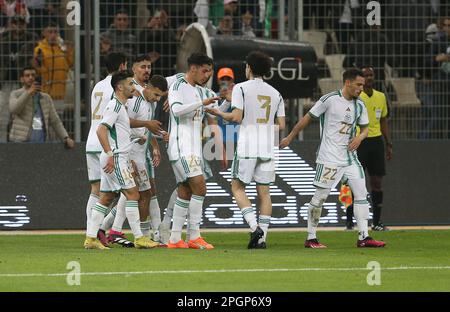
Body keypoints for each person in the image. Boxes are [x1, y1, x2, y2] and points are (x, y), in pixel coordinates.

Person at [279, 68, 386, 248]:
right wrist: (290, 136)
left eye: (362, 85)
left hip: (350, 158)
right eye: (358, 84)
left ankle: (364, 237)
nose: (362, 88)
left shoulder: (359, 105)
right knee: (320, 197)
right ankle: (311, 238)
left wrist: (360, 137)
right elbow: (307, 118)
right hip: (329, 157)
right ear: (348, 83)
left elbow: (366, 127)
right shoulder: (329, 100)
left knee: (361, 194)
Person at [206, 51, 286, 249]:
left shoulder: (241, 88)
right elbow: (282, 125)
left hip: (248, 144)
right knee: (265, 193)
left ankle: (254, 227)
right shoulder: (275, 93)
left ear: (249, 68)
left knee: (237, 187)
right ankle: (262, 238)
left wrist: (217, 112)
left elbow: (236, 117)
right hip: (267, 146)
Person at [84, 70, 158, 250]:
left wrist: (136, 137)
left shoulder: (121, 106)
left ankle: (91, 238)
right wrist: (110, 155)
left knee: (106, 197)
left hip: (116, 156)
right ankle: (139, 237)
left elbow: (119, 131)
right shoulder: (115, 106)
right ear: (119, 87)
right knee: (133, 194)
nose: (134, 87)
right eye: (130, 84)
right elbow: (101, 130)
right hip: (116, 158)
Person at [166, 52, 219, 249]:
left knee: (185, 190)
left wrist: (227, 100)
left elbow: (215, 109)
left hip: (192, 148)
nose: (207, 76)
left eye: (209, 72)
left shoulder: (200, 90)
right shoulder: (178, 86)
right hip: (181, 146)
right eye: (204, 71)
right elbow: (177, 110)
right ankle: (194, 235)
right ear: (193, 68)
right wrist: (201, 104)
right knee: (200, 187)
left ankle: (174, 239)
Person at [84, 52, 127, 243]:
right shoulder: (116, 88)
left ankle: (90, 232)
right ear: (121, 67)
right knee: (120, 190)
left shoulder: (97, 86)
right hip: (106, 143)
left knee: (96, 190)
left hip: (91, 141)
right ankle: (101, 230)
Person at [345, 66, 392, 231]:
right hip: (359, 142)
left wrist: (388, 143)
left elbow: (383, 120)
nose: (369, 78)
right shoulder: (356, 96)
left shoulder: (381, 96)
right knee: (354, 182)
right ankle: (350, 221)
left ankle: (377, 222)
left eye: (371, 75)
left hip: (376, 142)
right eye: (366, 75)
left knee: (377, 182)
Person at [8, 66, 75, 147]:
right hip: (20, 142)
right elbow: (14, 109)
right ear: (22, 79)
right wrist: (28, 93)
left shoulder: (46, 98)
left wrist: (65, 137)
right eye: (27, 75)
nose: (31, 78)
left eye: (33, 75)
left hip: (41, 143)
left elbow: (55, 121)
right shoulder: (15, 94)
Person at [0, 15, 39, 142]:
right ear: (10, 24)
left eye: (21, 23)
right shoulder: (3, 40)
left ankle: (20, 142)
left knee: (22, 115)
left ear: (25, 25)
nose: (18, 26)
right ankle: (3, 143)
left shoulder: (32, 39)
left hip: (23, 83)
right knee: (4, 115)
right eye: (15, 23)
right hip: (5, 82)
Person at [33, 21, 74, 117]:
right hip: (45, 93)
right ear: (44, 33)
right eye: (50, 32)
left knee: (58, 122)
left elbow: (70, 64)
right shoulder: (40, 49)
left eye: (56, 32)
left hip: (60, 94)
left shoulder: (62, 49)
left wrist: (67, 50)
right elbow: (38, 69)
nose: (53, 35)